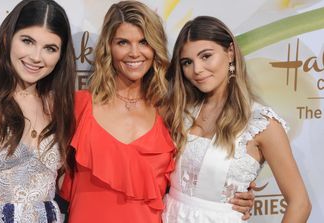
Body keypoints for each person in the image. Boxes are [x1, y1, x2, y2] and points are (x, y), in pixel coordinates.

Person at [60, 2, 254, 223]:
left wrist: (233, 194)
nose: (134, 53)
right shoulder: (79, 106)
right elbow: (44, 175)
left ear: (155, 47)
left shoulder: (172, 111)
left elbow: (201, 169)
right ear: (108, 48)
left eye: (144, 42)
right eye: (123, 42)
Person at [162, 16, 311, 222]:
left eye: (206, 56)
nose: (196, 69)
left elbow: (300, 203)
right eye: (187, 62)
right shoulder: (178, 111)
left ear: (230, 52)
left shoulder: (262, 123)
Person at [0, 0, 76, 222]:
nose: (37, 57)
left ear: (61, 55)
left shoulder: (55, 104)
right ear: (8, 38)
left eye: (50, 48)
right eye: (27, 41)